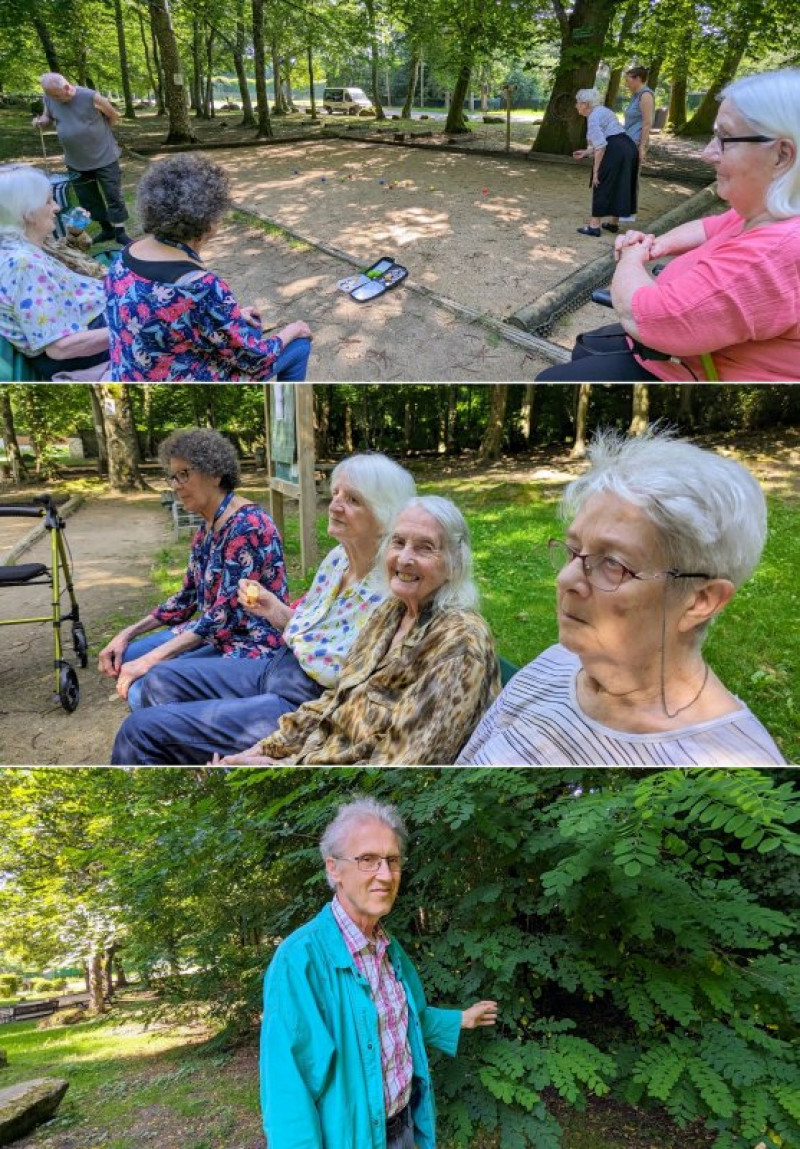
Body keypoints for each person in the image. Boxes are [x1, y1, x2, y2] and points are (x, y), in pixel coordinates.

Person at [458, 429, 785, 766]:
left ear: (700, 601)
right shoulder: (554, 664)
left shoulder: (731, 766)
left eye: (613, 563)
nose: (566, 578)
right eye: (573, 550)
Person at [110, 453, 416, 763]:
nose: (335, 505)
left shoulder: (394, 588)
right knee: (160, 681)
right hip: (278, 667)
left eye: (352, 499)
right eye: (335, 493)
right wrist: (276, 610)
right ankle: (201, 762)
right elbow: (316, 630)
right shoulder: (338, 559)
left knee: (139, 729)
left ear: (384, 512)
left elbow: (364, 686)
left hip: (304, 698)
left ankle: (200, 754)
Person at [261, 797, 498, 1149]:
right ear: (334, 869)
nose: (385, 875)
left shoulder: (390, 949)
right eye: (368, 860)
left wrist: (460, 1019)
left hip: (404, 1129)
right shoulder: (300, 961)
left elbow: (406, 1021)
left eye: (392, 860)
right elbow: (286, 1092)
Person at [538, 68, 800, 381]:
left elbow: (647, 316)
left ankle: (596, 224)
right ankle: (606, 223)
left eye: (725, 139)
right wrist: (655, 244)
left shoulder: (770, 253)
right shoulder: (768, 214)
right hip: (686, 352)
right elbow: (711, 226)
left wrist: (633, 256)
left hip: (697, 367)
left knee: (602, 188)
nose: (707, 153)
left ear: (782, 155)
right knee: (586, 345)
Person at [218, 496, 500, 765]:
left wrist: (277, 767)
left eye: (425, 547)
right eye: (398, 542)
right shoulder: (391, 612)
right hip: (312, 752)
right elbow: (336, 699)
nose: (404, 559)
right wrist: (264, 748)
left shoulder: (459, 642)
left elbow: (403, 762)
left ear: (454, 563)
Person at [99, 428, 288, 710]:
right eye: (173, 476)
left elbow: (225, 616)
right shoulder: (208, 526)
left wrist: (152, 660)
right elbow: (185, 599)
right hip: (214, 633)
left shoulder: (248, 526)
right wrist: (128, 632)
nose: (175, 485)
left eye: (183, 474)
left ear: (215, 473)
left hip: (249, 640)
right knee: (126, 657)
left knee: (143, 691)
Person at [105, 153, 312, 381]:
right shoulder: (200, 287)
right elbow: (255, 360)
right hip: (181, 378)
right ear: (209, 221)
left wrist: (230, 317)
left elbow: (166, 314)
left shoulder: (125, 255)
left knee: (249, 324)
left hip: (133, 371)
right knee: (299, 344)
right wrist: (292, 330)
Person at [0, 164, 110, 380]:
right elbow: (60, 348)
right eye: (49, 201)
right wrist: (135, 328)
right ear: (28, 214)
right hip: (87, 346)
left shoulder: (24, 246)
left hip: (94, 321)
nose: (57, 207)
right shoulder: (23, 264)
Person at [33, 72, 131, 246]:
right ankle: (107, 229)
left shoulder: (90, 96)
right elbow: (48, 116)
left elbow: (113, 115)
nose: (54, 98)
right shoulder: (49, 98)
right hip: (75, 161)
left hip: (104, 156)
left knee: (113, 194)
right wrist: (41, 121)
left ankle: (120, 232)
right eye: (50, 95)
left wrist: (99, 134)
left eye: (56, 95)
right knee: (89, 199)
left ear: (67, 87)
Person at [572, 88, 638, 237]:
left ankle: (594, 226)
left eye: (578, 102)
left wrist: (596, 172)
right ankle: (614, 223)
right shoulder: (603, 111)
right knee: (622, 183)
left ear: (585, 104)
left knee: (600, 182)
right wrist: (586, 152)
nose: (576, 105)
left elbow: (601, 146)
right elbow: (606, 138)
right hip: (628, 147)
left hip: (614, 149)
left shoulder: (593, 118)